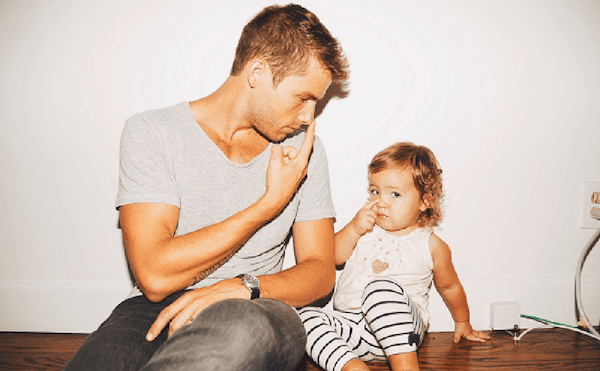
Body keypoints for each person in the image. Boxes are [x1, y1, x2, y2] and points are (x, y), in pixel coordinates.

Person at [63, 4, 349, 371]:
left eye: (318, 102)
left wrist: (244, 287)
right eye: (304, 98)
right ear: (258, 72)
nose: (309, 116)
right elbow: (153, 276)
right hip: (156, 306)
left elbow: (321, 272)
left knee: (237, 339)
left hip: (258, 305)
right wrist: (267, 205)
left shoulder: (304, 151)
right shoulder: (153, 133)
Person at [299, 142, 490, 371]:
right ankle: (350, 366)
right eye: (375, 191)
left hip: (403, 333)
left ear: (424, 201)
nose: (381, 202)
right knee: (302, 318)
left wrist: (462, 322)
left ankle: (405, 366)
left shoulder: (430, 245)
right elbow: (333, 258)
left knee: (379, 290)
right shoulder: (365, 230)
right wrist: (354, 228)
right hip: (354, 329)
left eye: (395, 194)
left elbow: (450, 287)